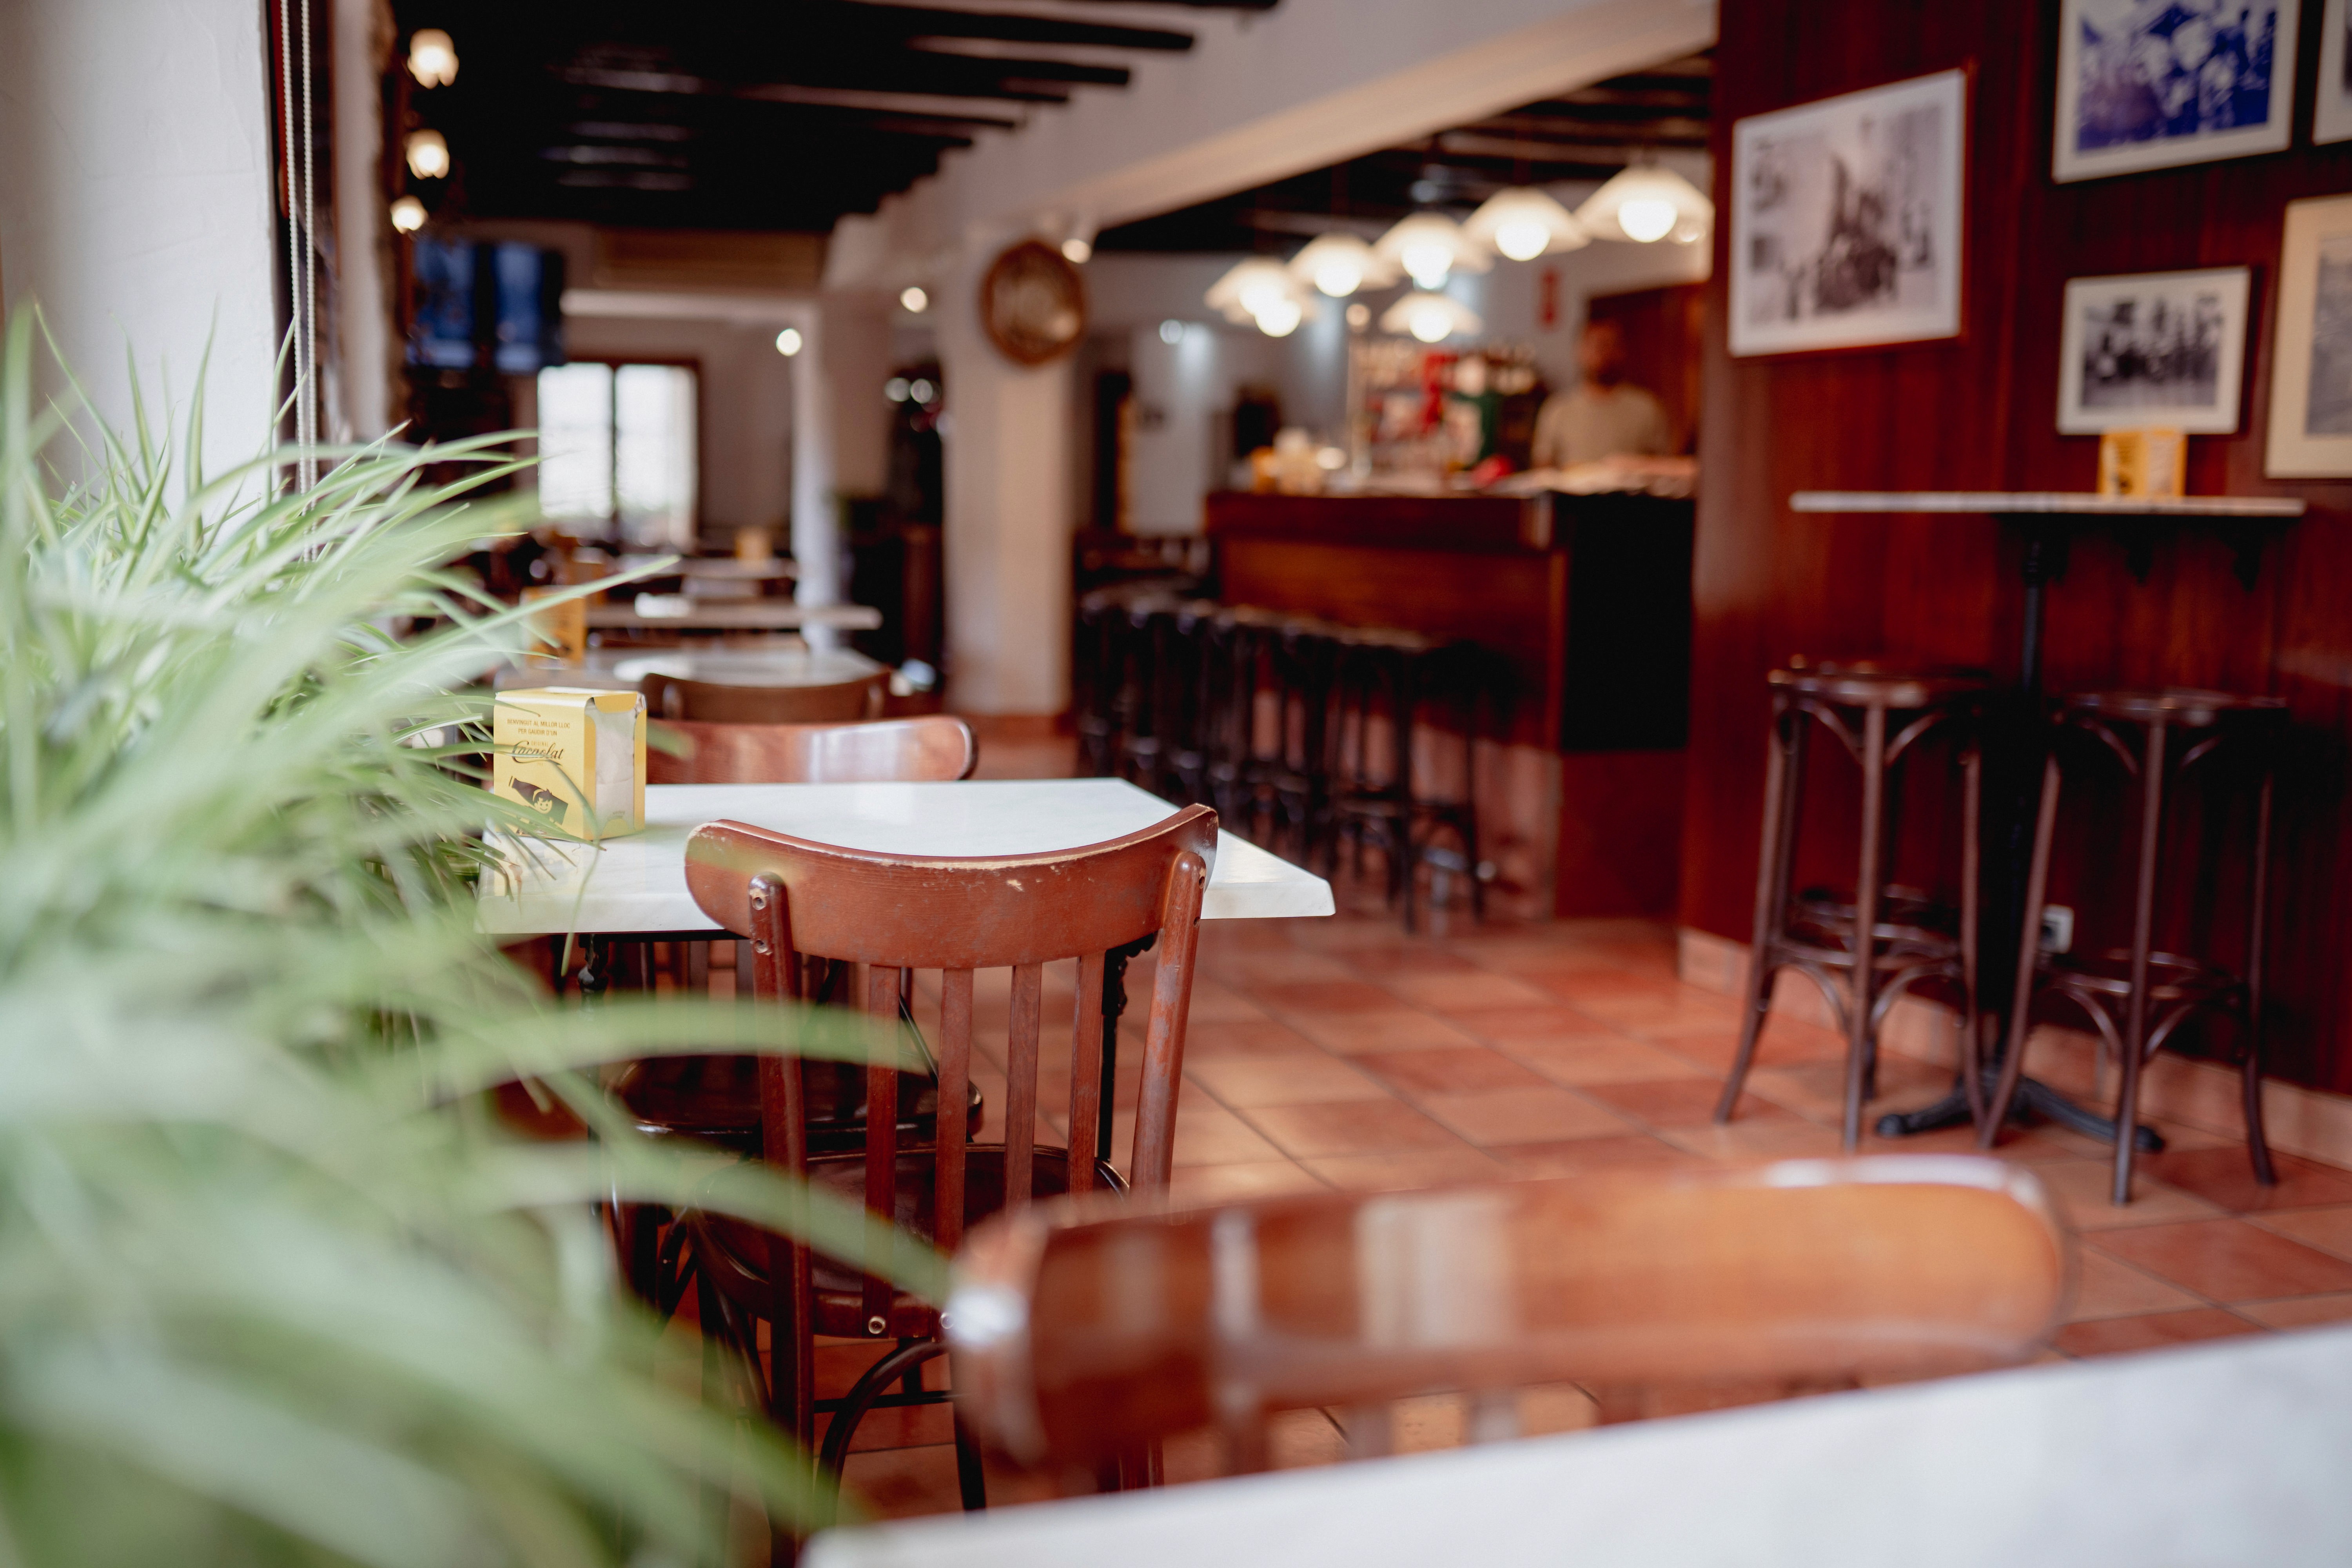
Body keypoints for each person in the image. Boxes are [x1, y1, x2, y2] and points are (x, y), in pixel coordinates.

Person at [1531, 319, 1674, 468]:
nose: (1602, 353)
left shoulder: (1646, 407)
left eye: (1610, 345)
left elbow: (1664, 465)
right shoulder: (1558, 409)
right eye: (1595, 345)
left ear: (1622, 351)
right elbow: (1542, 468)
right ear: (1579, 350)